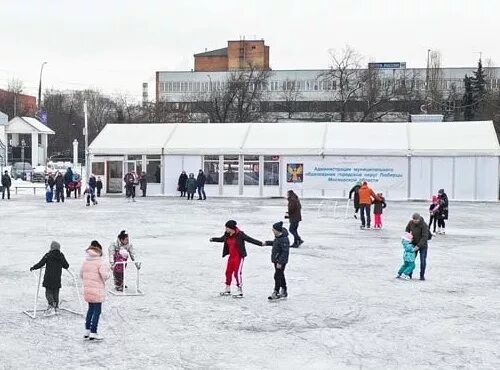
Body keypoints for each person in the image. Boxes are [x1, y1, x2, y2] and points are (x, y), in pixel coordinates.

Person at [209, 220, 263, 298]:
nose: (225, 229)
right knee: (228, 272)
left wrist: (261, 243)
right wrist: (213, 239)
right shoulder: (227, 235)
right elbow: (221, 239)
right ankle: (227, 289)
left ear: (231, 228)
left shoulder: (240, 234)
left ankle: (239, 290)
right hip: (231, 257)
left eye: (227, 228)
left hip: (239, 257)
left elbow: (250, 239)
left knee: (237, 273)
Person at [29, 241, 69, 315]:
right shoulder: (61, 256)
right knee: (56, 293)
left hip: (48, 278)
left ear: (51, 247)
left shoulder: (48, 255)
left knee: (48, 292)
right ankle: (56, 307)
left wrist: (33, 267)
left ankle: (51, 306)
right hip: (57, 278)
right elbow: (66, 265)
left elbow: (41, 263)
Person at [80, 240, 110, 341]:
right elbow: (105, 276)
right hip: (97, 291)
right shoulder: (100, 262)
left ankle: (87, 330)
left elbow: (81, 275)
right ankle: (93, 332)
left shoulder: (85, 262)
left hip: (88, 290)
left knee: (90, 310)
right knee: (97, 311)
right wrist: (109, 273)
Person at [264, 221, 290, 300]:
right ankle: (284, 290)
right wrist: (267, 243)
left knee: (277, 276)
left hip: (280, 261)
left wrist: (280, 262)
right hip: (276, 260)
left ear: (278, 230)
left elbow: (285, 252)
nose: (272, 231)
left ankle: (276, 291)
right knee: (280, 275)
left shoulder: (284, 239)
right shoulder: (278, 237)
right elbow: (275, 243)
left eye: (274, 230)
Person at [405, 213, 429, 281]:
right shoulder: (410, 223)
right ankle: (409, 274)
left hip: (423, 245)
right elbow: (407, 230)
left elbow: (425, 237)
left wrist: (418, 246)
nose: (415, 221)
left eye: (416, 220)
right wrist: (408, 237)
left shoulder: (424, 225)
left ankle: (422, 275)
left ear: (419, 219)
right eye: (414, 220)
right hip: (413, 244)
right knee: (411, 260)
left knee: (423, 260)